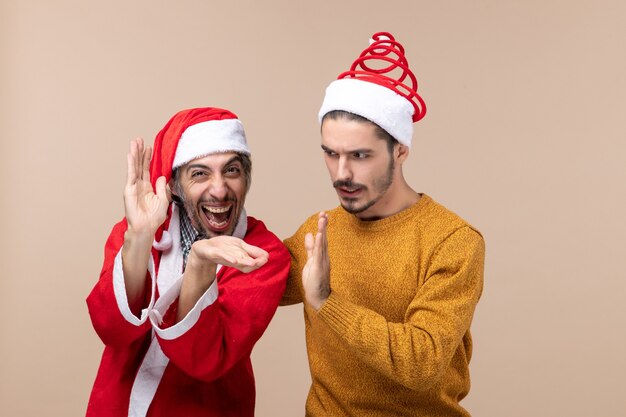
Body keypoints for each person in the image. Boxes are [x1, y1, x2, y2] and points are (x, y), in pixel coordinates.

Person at [282, 32, 485, 416]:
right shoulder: (321, 230)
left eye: (360, 155)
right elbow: (253, 276)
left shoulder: (453, 241)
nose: (341, 173)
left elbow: (421, 362)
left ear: (400, 150)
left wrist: (327, 301)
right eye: (331, 153)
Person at [86, 107, 290, 417]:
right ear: (174, 186)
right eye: (200, 173)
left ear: (246, 178)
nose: (219, 189)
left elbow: (206, 360)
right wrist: (140, 237)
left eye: (231, 170)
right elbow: (112, 330)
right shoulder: (138, 233)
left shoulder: (262, 254)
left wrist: (199, 265)